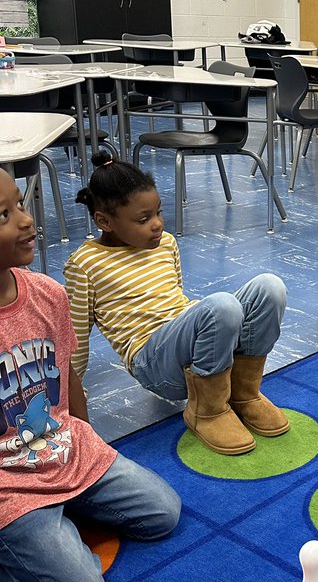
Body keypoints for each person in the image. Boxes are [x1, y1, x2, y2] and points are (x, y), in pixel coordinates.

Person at [0, 170, 180, 582]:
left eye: (20, 204)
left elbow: (66, 377)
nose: (26, 221)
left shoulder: (46, 293)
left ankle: (60, 511)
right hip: (9, 483)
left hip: (61, 448)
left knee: (163, 513)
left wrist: (89, 444)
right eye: (4, 215)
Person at [64, 153, 289, 457]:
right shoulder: (85, 263)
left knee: (269, 287)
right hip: (152, 362)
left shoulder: (166, 243)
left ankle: (243, 394)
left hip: (189, 344)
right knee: (221, 306)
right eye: (143, 219)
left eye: (158, 213)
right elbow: (74, 340)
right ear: (104, 221)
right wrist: (66, 400)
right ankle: (206, 412)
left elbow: (177, 299)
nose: (157, 224)